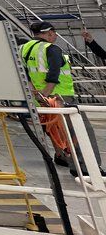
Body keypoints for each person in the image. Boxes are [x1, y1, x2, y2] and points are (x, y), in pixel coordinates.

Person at [21, 21, 74, 164]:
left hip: (39, 95)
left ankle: (59, 154)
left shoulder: (24, 48)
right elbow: (54, 74)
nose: (55, 35)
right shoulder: (51, 49)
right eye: (54, 33)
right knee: (67, 128)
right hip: (58, 94)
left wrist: (37, 94)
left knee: (51, 126)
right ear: (49, 32)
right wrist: (46, 94)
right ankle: (72, 157)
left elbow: (24, 73)